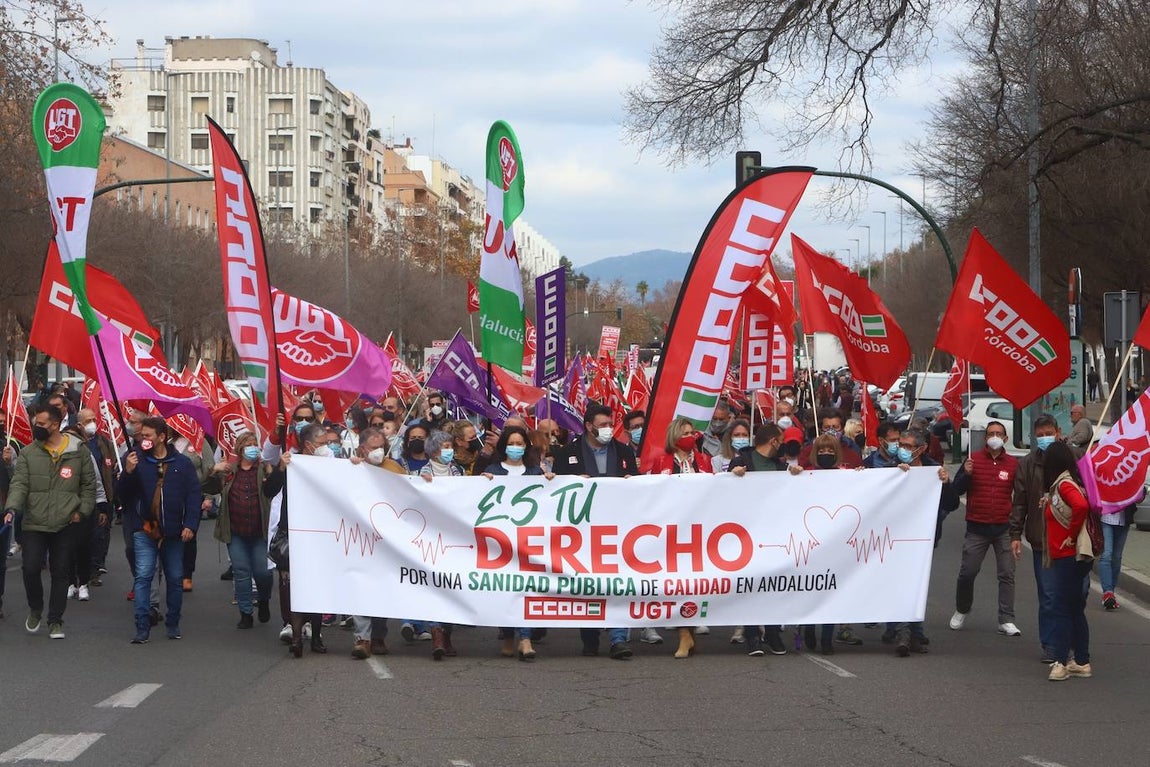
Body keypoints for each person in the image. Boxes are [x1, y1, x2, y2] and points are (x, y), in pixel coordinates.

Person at [2, 405, 97, 639]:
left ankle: (55, 620)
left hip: (66, 523)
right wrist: (11, 507)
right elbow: (20, 483)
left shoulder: (79, 451)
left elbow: (88, 485)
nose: (37, 427)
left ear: (55, 424)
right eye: (36, 423)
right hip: (34, 522)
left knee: (61, 572)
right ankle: (36, 608)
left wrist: (82, 511)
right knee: (31, 568)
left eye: (42, 424)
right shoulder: (28, 453)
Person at [553, 403, 639, 659]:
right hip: (582, 531)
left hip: (618, 528)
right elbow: (556, 489)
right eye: (602, 425)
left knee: (619, 582)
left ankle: (618, 638)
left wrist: (631, 483)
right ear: (588, 426)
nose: (608, 429)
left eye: (610, 424)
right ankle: (589, 635)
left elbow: (638, 484)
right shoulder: (567, 452)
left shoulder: (623, 452)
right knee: (587, 583)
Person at [117, 417, 202, 643]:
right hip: (144, 529)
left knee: (175, 578)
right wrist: (128, 472)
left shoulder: (182, 464)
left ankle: (173, 623)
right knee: (144, 576)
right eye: (141, 436)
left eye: (148, 436)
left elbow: (194, 496)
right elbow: (122, 497)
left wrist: (190, 524)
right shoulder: (134, 459)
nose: (143, 439)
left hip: (173, 532)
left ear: (162, 437)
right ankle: (142, 626)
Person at [482, 424, 555, 661]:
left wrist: (550, 481)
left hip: (527, 540)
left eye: (520, 444)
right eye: (511, 444)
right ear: (504, 446)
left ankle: (525, 638)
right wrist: (482, 482)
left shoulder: (534, 472)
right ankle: (507, 636)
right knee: (505, 588)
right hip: (501, 540)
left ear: (526, 446)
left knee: (526, 588)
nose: (516, 448)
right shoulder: (493, 470)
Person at [729, 423, 798, 654]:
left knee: (772, 584)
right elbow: (724, 492)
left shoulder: (780, 466)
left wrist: (796, 477)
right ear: (773, 441)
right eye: (781, 439)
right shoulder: (742, 461)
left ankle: (771, 631)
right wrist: (733, 476)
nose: (784, 444)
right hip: (746, 533)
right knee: (750, 583)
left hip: (773, 534)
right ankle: (751, 634)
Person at [888, 428, 957, 656]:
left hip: (925, 537)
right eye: (901, 445)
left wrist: (945, 483)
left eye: (908, 446)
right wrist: (894, 476)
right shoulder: (891, 467)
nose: (903, 450)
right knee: (902, 583)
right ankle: (904, 634)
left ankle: (914, 631)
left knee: (918, 583)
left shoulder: (933, 469)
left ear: (921, 448)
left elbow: (952, 503)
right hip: (896, 537)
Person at [949, 421, 1021, 637]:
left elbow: (1021, 495)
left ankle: (1006, 619)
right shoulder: (973, 460)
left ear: (1005, 439)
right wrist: (966, 474)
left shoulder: (1013, 464)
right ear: (985, 438)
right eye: (991, 433)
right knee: (967, 572)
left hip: (1003, 528)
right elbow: (956, 491)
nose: (995, 437)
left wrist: (1018, 525)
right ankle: (962, 609)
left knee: (1007, 574)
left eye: (999, 433)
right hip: (977, 527)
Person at [264, 422, 330, 657]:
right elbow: (269, 491)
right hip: (291, 533)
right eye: (323, 444)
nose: (327, 447)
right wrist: (281, 468)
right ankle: (296, 635)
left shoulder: (331, 466)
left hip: (320, 532)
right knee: (292, 584)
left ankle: (316, 635)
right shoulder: (292, 463)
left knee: (317, 584)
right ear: (309, 445)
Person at [1010, 414, 1067, 663]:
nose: (1044, 438)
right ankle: (1051, 644)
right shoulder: (1028, 464)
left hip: (1070, 538)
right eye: (1040, 434)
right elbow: (1020, 502)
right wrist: (1014, 534)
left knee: (1074, 593)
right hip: (1041, 539)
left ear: (1058, 432)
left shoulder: (1073, 458)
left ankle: (1071, 638)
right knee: (1048, 594)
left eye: (1049, 433)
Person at [205, 431, 274, 630]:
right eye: (248, 444)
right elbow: (205, 486)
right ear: (240, 448)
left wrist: (271, 471)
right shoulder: (229, 470)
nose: (252, 448)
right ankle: (245, 613)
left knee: (263, 572)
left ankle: (263, 599)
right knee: (241, 572)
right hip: (235, 532)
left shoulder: (263, 469)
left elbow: (275, 487)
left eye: (255, 444)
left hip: (259, 531)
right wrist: (213, 470)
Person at [346, 427, 402, 658]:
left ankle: (379, 635)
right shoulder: (352, 468)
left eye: (381, 447)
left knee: (382, 589)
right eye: (373, 447)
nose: (377, 451)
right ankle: (362, 638)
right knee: (360, 586)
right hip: (359, 539)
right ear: (361, 448)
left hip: (388, 541)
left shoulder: (394, 468)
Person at [1041, 441, 1094, 681]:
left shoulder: (1064, 484)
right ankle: (1081, 660)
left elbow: (1081, 506)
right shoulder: (1064, 484)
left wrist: (1070, 537)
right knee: (1074, 610)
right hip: (1070, 557)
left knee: (1062, 610)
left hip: (1067, 557)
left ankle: (1061, 661)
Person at [1099, 495, 1139, 611]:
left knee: (1116, 558)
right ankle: (1108, 592)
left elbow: (1139, 496)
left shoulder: (1129, 476)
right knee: (1106, 555)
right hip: (1105, 518)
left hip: (1123, 520)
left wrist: (1140, 492)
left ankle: (1110, 592)